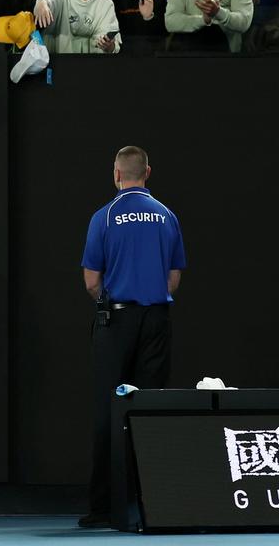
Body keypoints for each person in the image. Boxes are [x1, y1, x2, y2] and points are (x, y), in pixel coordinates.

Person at [79, 145, 185, 529]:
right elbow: (173, 277)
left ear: (116, 174)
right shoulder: (167, 216)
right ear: (148, 172)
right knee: (151, 408)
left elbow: (92, 280)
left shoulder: (104, 217)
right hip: (157, 319)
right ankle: (151, 504)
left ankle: (103, 507)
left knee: (110, 410)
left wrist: (111, 300)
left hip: (117, 321)